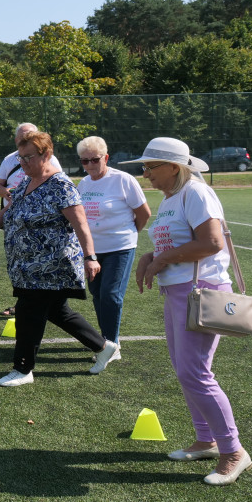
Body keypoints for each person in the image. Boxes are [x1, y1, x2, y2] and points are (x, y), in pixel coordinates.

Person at [121, 137, 251, 486]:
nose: (145, 174)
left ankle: (234, 451)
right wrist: (152, 256)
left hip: (202, 292)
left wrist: (161, 258)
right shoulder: (171, 198)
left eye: (150, 167)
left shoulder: (195, 192)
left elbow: (211, 242)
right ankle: (206, 439)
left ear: (174, 168)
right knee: (185, 369)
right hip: (179, 292)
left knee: (195, 372)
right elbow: (176, 244)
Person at [0, 131, 118, 386]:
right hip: (26, 265)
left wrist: (91, 257)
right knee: (57, 311)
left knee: (28, 313)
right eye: (20, 158)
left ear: (47, 154)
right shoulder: (25, 183)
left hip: (51, 265)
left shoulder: (60, 185)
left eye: (29, 157)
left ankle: (23, 369)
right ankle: (103, 347)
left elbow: (81, 224)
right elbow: (9, 210)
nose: (23, 163)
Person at [76, 136, 151, 369]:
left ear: (105, 158)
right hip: (91, 251)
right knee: (97, 294)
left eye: (94, 160)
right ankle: (104, 340)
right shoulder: (83, 184)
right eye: (84, 161)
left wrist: (129, 235)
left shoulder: (123, 180)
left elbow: (144, 214)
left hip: (120, 247)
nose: (89, 165)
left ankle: (112, 345)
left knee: (111, 294)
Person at [0, 122, 63, 316]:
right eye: (23, 136)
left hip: (41, 221)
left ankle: (40, 303)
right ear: (16, 140)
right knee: (18, 261)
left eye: (31, 135)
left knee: (40, 260)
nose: (27, 138)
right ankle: (24, 303)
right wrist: (6, 192)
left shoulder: (51, 161)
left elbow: (61, 187)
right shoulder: (9, 160)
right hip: (14, 217)